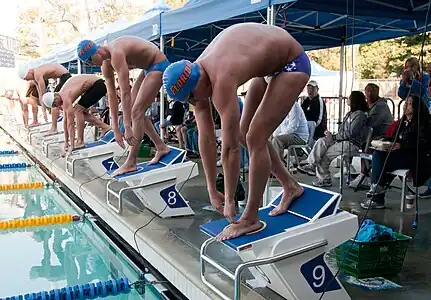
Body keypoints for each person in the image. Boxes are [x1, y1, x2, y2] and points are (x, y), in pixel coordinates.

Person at [162, 23, 309, 240]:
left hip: (292, 63)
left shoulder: (220, 79)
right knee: (244, 132)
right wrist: (212, 189)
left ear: (195, 85)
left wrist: (230, 198)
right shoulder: (197, 78)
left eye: (192, 97)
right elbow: (207, 139)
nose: (195, 102)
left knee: (255, 136)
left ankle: (250, 219)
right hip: (267, 68)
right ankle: (291, 186)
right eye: (189, 101)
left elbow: (230, 149)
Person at [76, 37, 171, 176]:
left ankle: (131, 162)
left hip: (158, 65)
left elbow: (125, 92)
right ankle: (161, 147)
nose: (91, 64)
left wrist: (127, 126)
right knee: (137, 111)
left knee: (136, 112)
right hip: (147, 69)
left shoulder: (116, 53)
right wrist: (114, 127)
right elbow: (112, 96)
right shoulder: (105, 65)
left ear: (95, 53)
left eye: (89, 61)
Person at [362, 94, 431, 209]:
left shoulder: (424, 122)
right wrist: (384, 140)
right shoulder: (403, 121)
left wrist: (402, 145)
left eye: (409, 104)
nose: (405, 106)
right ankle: (377, 191)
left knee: (380, 160)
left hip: (415, 156)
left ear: (416, 107)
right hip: (401, 154)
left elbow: (423, 142)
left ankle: (377, 192)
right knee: (378, 155)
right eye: (405, 103)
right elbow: (397, 137)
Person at [299, 91, 369, 187]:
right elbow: (342, 130)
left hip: (351, 144)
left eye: (349, 97)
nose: (347, 99)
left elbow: (351, 133)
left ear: (354, 100)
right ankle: (311, 164)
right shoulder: (350, 113)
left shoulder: (360, 115)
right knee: (321, 141)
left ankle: (325, 179)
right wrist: (332, 135)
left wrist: (335, 137)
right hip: (341, 139)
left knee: (324, 156)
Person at [41, 75, 111, 156]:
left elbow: (70, 124)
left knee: (78, 111)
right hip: (96, 85)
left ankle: (80, 141)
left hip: (99, 85)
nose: (57, 106)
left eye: (55, 104)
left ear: (55, 98)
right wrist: (67, 141)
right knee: (77, 110)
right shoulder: (62, 96)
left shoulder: (65, 97)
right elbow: (65, 121)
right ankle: (105, 127)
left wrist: (72, 145)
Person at [17, 63, 72, 135]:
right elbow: (41, 96)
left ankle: (54, 128)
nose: (26, 80)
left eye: (26, 78)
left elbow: (43, 95)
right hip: (63, 77)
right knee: (56, 103)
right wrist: (44, 112)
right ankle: (69, 117)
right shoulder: (34, 78)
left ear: (28, 73)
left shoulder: (37, 73)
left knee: (53, 102)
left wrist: (44, 112)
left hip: (65, 76)